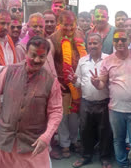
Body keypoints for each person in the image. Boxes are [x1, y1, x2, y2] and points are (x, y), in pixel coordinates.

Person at [0, 36, 63, 168]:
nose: (37, 60)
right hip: (2, 143)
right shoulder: (10, 71)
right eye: (33, 55)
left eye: (42, 57)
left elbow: (56, 111)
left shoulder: (51, 81)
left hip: (32, 147)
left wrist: (46, 136)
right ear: (25, 53)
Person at [91, 28, 131, 168]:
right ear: (113, 42)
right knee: (118, 140)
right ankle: (122, 165)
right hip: (116, 109)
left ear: (129, 40)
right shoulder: (108, 60)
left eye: (123, 39)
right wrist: (97, 83)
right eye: (117, 40)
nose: (120, 42)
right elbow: (102, 83)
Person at [48, 10, 87, 159]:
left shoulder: (80, 35)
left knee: (75, 116)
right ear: (59, 24)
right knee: (63, 116)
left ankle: (73, 140)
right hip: (62, 84)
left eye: (72, 25)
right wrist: (55, 81)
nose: (69, 29)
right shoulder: (52, 39)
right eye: (65, 25)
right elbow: (50, 63)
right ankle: (64, 144)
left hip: (78, 83)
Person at [72, 33, 113, 168]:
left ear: (101, 44)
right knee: (85, 130)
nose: (92, 46)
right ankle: (86, 156)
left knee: (104, 131)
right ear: (87, 45)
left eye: (95, 43)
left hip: (104, 102)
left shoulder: (108, 59)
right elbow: (78, 83)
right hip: (86, 102)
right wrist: (74, 81)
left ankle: (105, 158)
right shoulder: (82, 61)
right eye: (90, 43)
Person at [15, 13, 57, 77]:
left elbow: (52, 68)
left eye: (41, 27)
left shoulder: (47, 43)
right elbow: (18, 72)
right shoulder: (20, 47)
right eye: (35, 26)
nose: (38, 29)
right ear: (28, 27)